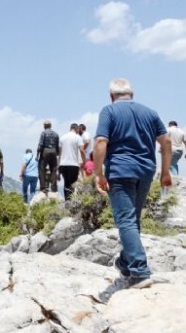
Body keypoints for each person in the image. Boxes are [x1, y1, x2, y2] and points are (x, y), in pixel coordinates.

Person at [94, 78, 172, 289]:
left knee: (126, 220)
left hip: (120, 170)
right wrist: (166, 171)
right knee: (133, 218)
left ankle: (139, 271)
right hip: (146, 171)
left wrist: (98, 173)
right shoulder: (150, 112)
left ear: (111, 96)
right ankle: (126, 263)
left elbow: (101, 142)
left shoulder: (109, 112)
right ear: (132, 95)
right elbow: (166, 142)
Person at [59, 123, 86, 201]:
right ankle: (71, 203)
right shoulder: (78, 138)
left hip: (63, 164)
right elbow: (82, 150)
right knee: (72, 184)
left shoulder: (62, 137)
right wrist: (84, 161)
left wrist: (58, 165)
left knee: (66, 184)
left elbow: (59, 153)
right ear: (77, 129)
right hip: (73, 164)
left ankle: (67, 201)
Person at [37, 120, 60, 193]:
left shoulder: (43, 133)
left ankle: (43, 187)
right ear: (50, 126)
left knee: (41, 169)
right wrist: (57, 154)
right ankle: (54, 187)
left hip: (45, 151)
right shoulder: (56, 134)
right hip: (53, 151)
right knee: (53, 169)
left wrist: (38, 154)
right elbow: (57, 145)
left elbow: (40, 144)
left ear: (44, 126)